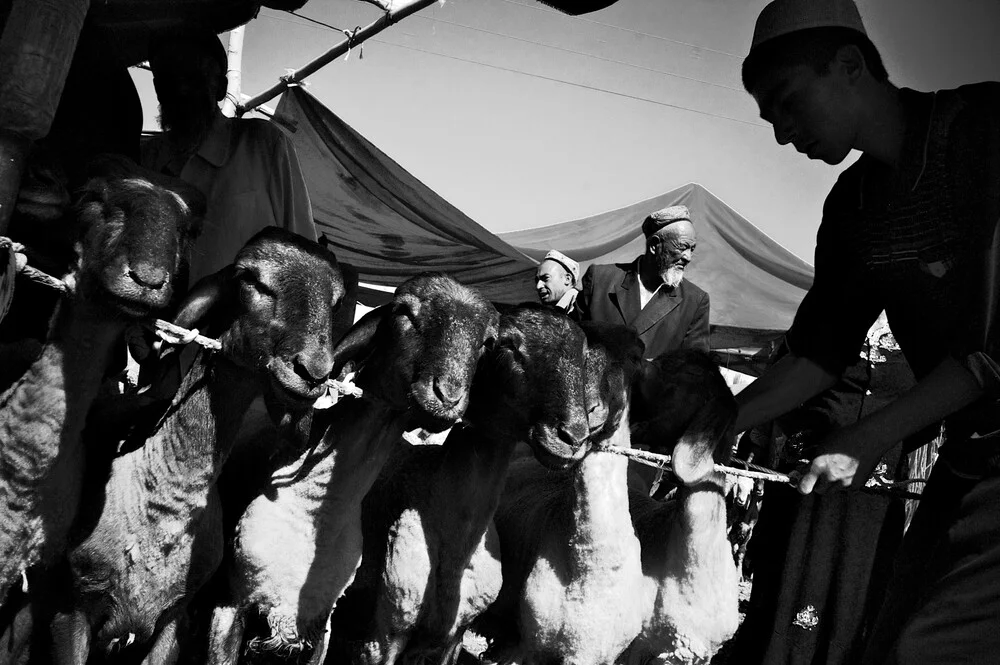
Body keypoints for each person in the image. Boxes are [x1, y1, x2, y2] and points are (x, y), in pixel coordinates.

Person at [734, 1, 1000, 662]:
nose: (782, 133)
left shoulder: (982, 130)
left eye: (790, 103)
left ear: (849, 65)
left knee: (930, 648)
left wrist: (872, 434)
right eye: (770, 119)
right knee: (890, 641)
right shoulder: (852, 206)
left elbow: (991, 350)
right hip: (974, 454)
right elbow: (818, 356)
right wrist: (717, 422)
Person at [733, 316, 919, 665]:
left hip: (873, 498)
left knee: (855, 592)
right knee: (790, 577)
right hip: (806, 484)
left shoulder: (924, 324)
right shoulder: (835, 309)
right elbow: (785, 379)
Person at [141, 28, 317, 285]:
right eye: (168, 80)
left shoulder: (264, 144)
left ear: (221, 88)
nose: (180, 90)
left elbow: (305, 252)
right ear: (157, 88)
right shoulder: (145, 158)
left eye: (194, 78)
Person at [578, 204, 709, 357]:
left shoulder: (694, 301)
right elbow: (572, 341)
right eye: (682, 247)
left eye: (691, 249)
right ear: (654, 245)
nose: (688, 257)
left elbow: (695, 367)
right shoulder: (599, 280)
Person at [535, 249, 582, 319]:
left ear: (567, 279)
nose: (538, 286)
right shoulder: (557, 313)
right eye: (537, 281)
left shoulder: (582, 306)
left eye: (546, 278)